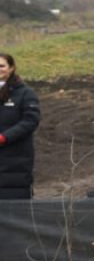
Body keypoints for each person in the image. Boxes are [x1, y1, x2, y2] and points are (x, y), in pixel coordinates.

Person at [0, 53, 40, 200]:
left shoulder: (25, 93)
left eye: (2, 66)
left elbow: (31, 120)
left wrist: (5, 137)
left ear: (11, 68)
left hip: (15, 157)